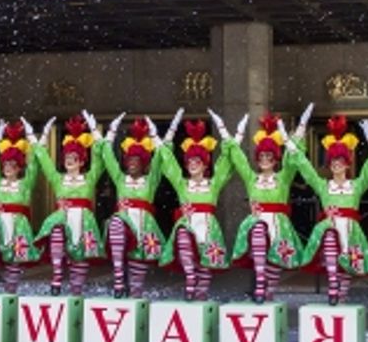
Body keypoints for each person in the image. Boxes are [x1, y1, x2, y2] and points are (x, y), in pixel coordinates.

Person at [296, 116, 368, 305]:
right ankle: (333, 287)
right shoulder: (323, 185)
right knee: (330, 240)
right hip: (330, 228)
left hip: (350, 231)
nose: (336, 164)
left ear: (347, 163)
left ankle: (341, 297)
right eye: (333, 161)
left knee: (346, 264)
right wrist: (296, 138)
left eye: (340, 160)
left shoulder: (356, 185)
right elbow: (306, 169)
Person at [229, 110, 313, 303]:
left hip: (279, 224)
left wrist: (301, 127)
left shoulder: (283, 177)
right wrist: (237, 133)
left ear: (275, 159)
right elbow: (238, 158)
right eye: (261, 157)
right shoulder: (252, 178)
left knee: (276, 258)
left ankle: (270, 291)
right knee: (259, 235)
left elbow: (293, 156)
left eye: (269, 157)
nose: (265, 160)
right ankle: (259, 283)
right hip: (258, 222)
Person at [160, 112, 238, 301]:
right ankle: (190, 279)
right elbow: (168, 162)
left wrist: (227, 135)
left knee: (205, 261)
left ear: (205, 165)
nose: (193, 165)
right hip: (187, 224)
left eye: (197, 162)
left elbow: (227, 164)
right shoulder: (182, 183)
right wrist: (166, 135)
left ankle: (201, 293)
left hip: (207, 227)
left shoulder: (213, 184)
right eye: (190, 162)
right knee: (183, 235)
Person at [33, 114, 107, 296]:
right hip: (62, 217)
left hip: (83, 220)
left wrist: (95, 133)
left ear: (81, 161)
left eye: (74, 157)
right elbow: (44, 161)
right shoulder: (58, 179)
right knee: (57, 231)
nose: (69, 160)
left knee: (80, 255)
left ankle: (77, 289)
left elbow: (100, 161)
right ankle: (57, 277)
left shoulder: (89, 178)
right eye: (67, 156)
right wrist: (40, 138)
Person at [98, 113, 166, 298]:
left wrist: (154, 135)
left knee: (137, 285)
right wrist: (111, 131)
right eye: (130, 161)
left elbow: (162, 158)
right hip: (123, 228)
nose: (132, 164)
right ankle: (119, 279)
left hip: (144, 230)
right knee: (116, 222)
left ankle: (135, 299)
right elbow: (107, 157)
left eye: (137, 161)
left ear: (144, 163)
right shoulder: (121, 179)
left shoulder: (150, 180)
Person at [0, 119, 44, 294]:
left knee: (14, 259)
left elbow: (34, 164)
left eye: (12, 165)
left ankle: (11, 290)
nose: (8, 168)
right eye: (5, 164)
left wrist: (35, 138)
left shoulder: (25, 183)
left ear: (18, 168)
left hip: (18, 224)